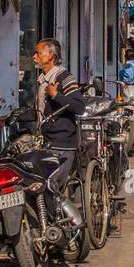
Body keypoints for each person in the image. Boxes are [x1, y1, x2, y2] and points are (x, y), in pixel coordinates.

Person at [33, 39, 86, 205]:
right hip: (47, 142)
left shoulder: (64, 77)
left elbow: (79, 106)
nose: (34, 56)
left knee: (52, 188)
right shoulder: (43, 80)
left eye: (39, 53)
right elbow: (40, 112)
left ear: (51, 56)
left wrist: (56, 96)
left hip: (62, 144)